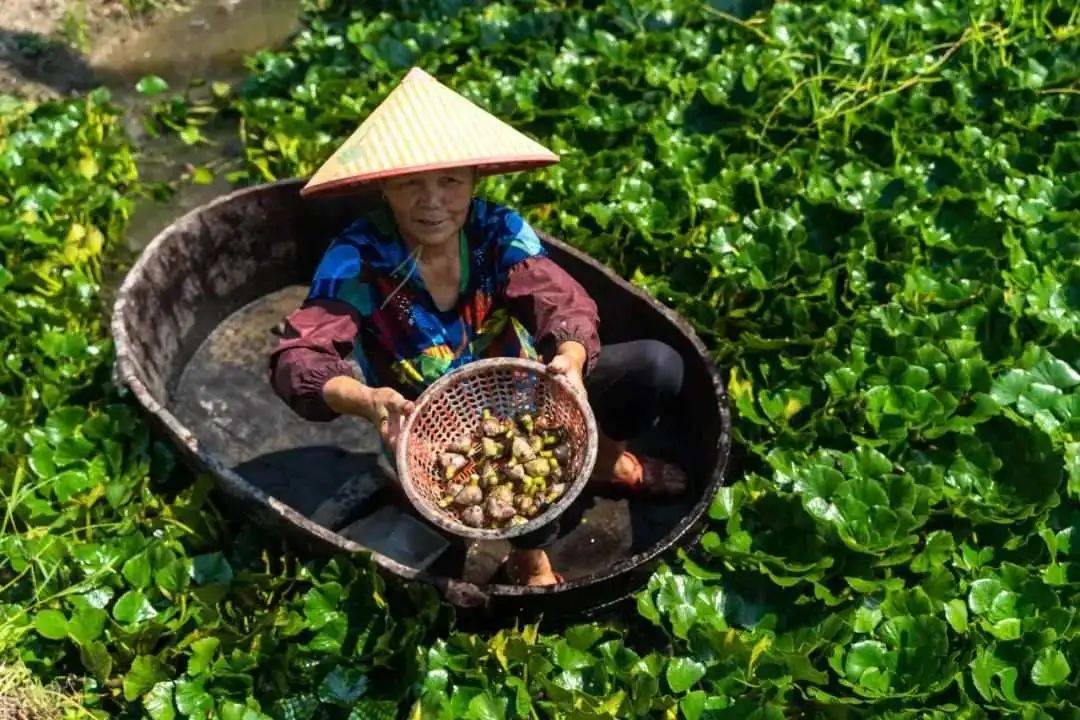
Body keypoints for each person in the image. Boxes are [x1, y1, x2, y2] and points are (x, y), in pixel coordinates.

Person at [269, 67, 686, 586]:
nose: (432, 201)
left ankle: (605, 459)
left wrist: (570, 359)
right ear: (384, 187)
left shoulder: (496, 230)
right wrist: (366, 399)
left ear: (473, 181)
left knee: (656, 366)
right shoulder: (359, 256)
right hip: (422, 417)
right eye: (410, 184)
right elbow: (300, 357)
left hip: (524, 382)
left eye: (449, 181)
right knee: (520, 481)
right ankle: (528, 557)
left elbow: (557, 298)